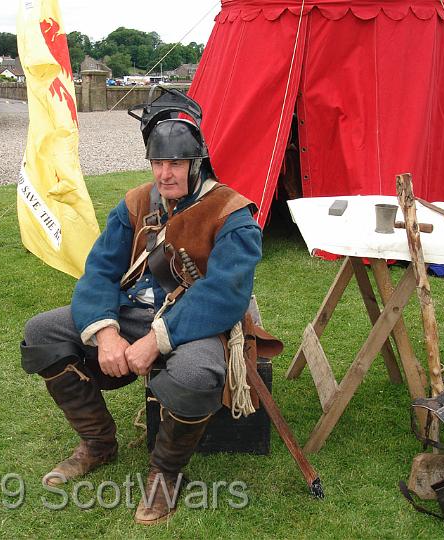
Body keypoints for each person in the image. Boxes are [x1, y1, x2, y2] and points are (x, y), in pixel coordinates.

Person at [21, 90, 262, 525]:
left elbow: (225, 294)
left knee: (196, 374)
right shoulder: (135, 203)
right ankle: (98, 444)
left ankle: (166, 473)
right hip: (130, 312)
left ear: (197, 162)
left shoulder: (232, 213)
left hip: (193, 323)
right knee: (42, 333)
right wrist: (106, 333)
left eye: (175, 164)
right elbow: (98, 271)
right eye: (158, 163)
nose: (165, 174)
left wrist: (156, 340)